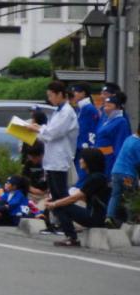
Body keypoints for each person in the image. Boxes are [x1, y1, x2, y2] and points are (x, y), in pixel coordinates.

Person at [29, 81, 77, 231]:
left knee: (61, 196)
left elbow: (53, 133)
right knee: (56, 195)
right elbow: (48, 133)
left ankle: (67, 228)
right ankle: (58, 224)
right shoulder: (58, 111)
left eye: (51, 95)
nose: (49, 99)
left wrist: (38, 129)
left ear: (59, 94)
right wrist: (38, 129)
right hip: (52, 159)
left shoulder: (67, 112)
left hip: (59, 159)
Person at [49, 147, 111, 247]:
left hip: (95, 218)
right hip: (96, 215)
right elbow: (84, 197)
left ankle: (71, 237)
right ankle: (70, 235)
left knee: (59, 206)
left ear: (89, 161)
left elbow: (76, 197)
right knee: (61, 204)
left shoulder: (96, 178)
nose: (80, 160)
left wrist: (55, 203)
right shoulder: (97, 177)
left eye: (83, 158)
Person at [105, 126, 140, 226]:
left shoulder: (129, 139)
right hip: (127, 175)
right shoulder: (138, 144)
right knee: (131, 196)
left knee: (115, 195)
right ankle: (131, 220)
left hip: (116, 172)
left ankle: (109, 217)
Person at [70, 83, 100, 187]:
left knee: (83, 171)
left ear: (83, 93)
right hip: (78, 144)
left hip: (84, 145)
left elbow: (92, 128)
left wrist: (89, 144)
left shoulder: (89, 108)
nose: (74, 94)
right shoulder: (80, 108)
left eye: (76, 91)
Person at [94, 94, 131, 175]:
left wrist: (118, 162)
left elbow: (120, 143)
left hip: (109, 157)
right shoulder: (106, 120)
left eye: (109, 106)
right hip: (100, 157)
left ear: (117, 107)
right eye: (105, 106)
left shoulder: (121, 122)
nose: (106, 108)